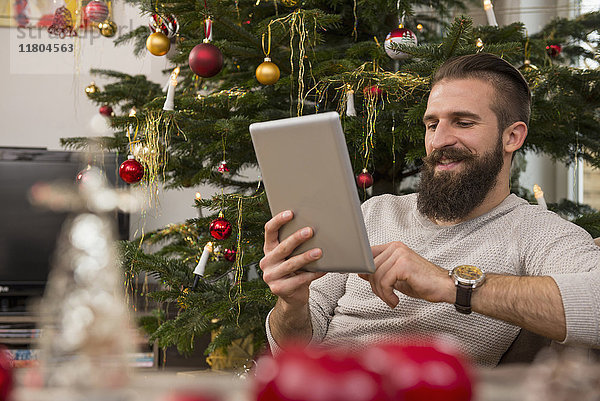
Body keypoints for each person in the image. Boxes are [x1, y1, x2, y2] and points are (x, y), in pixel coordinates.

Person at [259, 53, 600, 367]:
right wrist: (292, 303)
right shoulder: (374, 213)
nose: (438, 141)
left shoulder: (535, 231)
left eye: (463, 123)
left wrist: (451, 285)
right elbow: (294, 347)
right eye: (432, 124)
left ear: (512, 137)